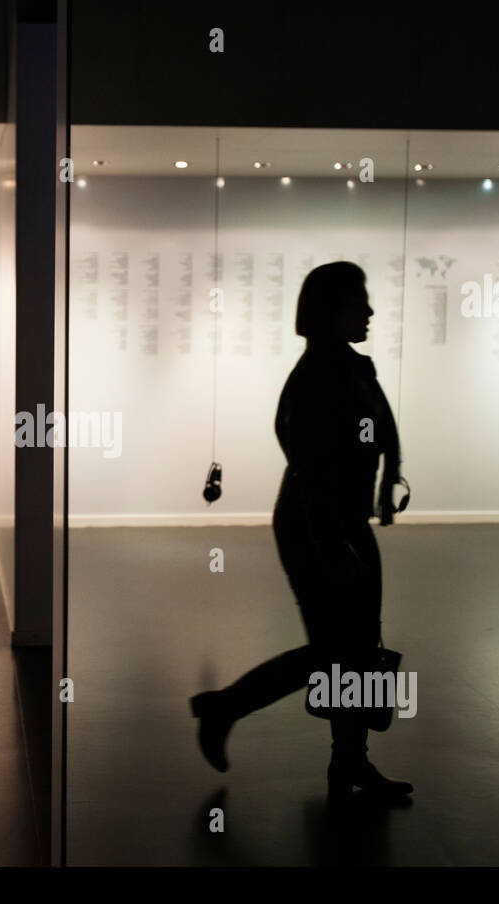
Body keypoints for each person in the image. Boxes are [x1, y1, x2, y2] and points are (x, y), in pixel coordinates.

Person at [190, 261, 412, 801]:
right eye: (358, 302)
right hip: (314, 525)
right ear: (330, 311)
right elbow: (305, 462)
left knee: (356, 646)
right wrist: (331, 540)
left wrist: (385, 486)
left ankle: (350, 763)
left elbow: (386, 431)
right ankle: (225, 707)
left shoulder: (357, 368)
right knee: (335, 650)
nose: (370, 312)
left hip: (348, 522)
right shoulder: (314, 377)